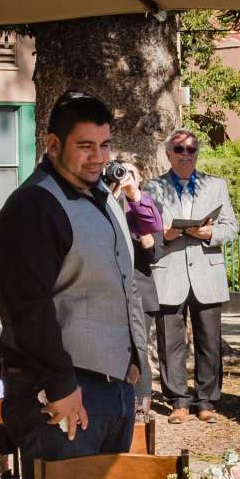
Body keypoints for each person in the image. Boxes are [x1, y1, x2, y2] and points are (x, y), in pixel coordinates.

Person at [0, 92, 148, 479]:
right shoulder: (34, 205)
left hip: (108, 388)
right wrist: (61, 387)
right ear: (52, 144)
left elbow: (120, 283)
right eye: (85, 146)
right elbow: (29, 308)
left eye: (104, 146)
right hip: (58, 390)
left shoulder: (101, 196)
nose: (97, 157)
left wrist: (133, 366)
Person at [144, 129, 234, 424]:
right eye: (179, 149)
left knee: (209, 340)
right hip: (168, 272)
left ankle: (206, 400)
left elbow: (231, 227)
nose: (185, 154)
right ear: (168, 153)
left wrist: (210, 233)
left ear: (198, 153)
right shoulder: (152, 188)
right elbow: (143, 231)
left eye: (191, 150)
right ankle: (179, 400)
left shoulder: (216, 185)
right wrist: (164, 234)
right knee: (170, 341)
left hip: (207, 272)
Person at [102, 160, 162, 403]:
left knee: (138, 350)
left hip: (139, 291)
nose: (122, 176)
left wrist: (132, 195)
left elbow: (154, 252)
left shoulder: (143, 206)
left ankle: (141, 407)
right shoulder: (103, 201)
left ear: (140, 179)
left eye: (129, 173)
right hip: (109, 292)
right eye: (118, 171)